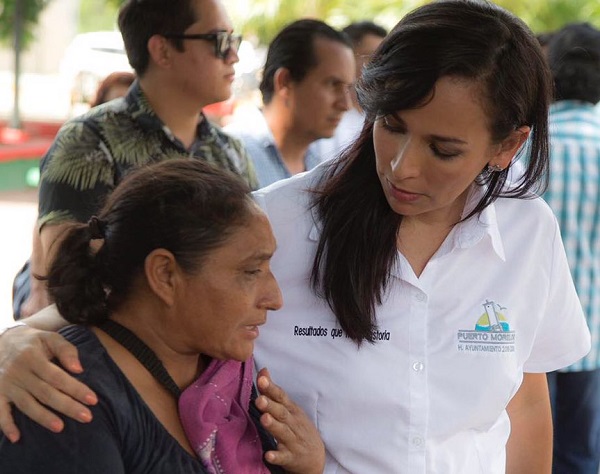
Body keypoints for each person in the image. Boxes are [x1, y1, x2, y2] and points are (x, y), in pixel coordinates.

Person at [0, 2, 591, 473]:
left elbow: (525, 406)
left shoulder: (527, 231)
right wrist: (14, 343)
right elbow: (133, 298)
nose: (404, 168)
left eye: (444, 149)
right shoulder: (277, 222)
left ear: (507, 145)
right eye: (391, 126)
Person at [0, 158, 324, 473]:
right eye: (251, 271)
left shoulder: (224, 384)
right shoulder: (62, 396)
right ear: (165, 274)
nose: (275, 299)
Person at [14, 0, 258, 321]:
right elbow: (69, 284)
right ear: (162, 50)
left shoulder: (230, 151)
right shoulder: (89, 140)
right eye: (220, 41)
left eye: (234, 41)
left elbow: (252, 263)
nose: (234, 55)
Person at [12, 70, 137, 321]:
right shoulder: (81, 145)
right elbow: (45, 220)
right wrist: (38, 291)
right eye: (113, 103)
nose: (120, 112)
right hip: (55, 278)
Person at [541, 23, 600, 474]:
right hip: (593, 337)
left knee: (524, 453)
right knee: (580, 456)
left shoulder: (521, 147)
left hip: (519, 334)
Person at [225, 19, 354, 188]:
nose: (346, 104)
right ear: (285, 82)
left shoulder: (324, 165)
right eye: (332, 84)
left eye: (348, 88)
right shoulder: (228, 158)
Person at [311, 21, 387, 161]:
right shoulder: (321, 118)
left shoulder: (384, 118)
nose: (380, 67)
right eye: (371, 57)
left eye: (384, 59)